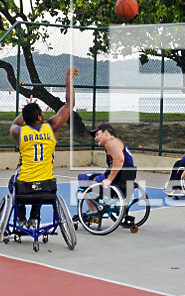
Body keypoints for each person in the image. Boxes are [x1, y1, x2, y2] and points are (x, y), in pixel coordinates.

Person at [10, 67, 77, 226]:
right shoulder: (52, 127)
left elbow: (14, 124)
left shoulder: (19, 132)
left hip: (24, 186)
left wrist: (25, 112)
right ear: (40, 116)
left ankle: (21, 219)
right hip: (47, 186)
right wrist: (68, 80)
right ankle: (34, 217)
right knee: (40, 184)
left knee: (13, 183)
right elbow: (70, 104)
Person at [78, 123, 137, 202]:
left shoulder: (111, 143)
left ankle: (94, 211)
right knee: (93, 177)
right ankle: (96, 205)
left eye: (97, 134)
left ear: (106, 133)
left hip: (116, 180)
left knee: (83, 179)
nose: (95, 138)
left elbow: (120, 159)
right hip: (124, 179)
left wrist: (109, 180)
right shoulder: (118, 142)